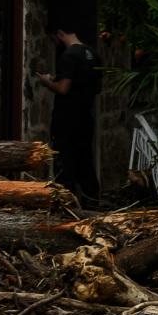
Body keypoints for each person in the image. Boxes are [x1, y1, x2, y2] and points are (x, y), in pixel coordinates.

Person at [47, 27, 103, 202]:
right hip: (85, 116)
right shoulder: (93, 54)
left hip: (67, 117)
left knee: (64, 161)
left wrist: (47, 82)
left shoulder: (69, 55)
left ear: (60, 33)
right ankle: (92, 199)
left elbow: (63, 88)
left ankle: (65, 202)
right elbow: (95, 87)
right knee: (85, 159)